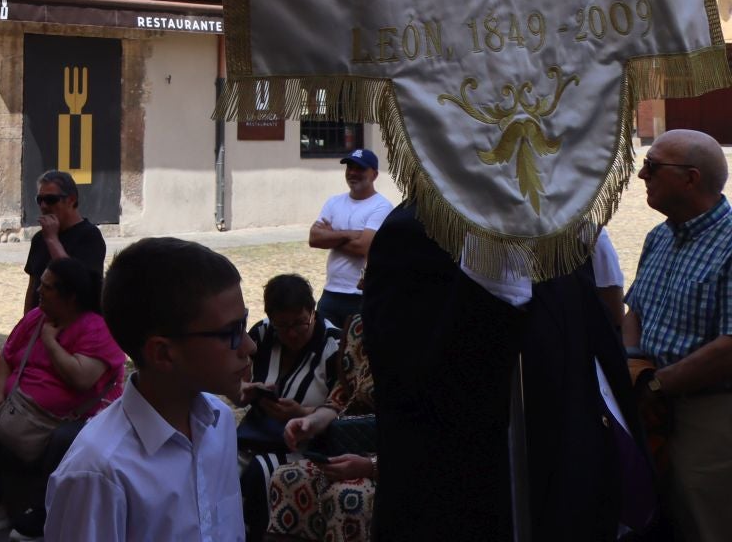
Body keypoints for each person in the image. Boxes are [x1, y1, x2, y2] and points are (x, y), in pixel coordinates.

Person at [365, 198, 652, 542]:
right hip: (479, 499)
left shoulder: (558, 227)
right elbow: (424, 384)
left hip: (571, 478)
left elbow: (592, 350)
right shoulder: (418, 230)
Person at [40, 238, 251, 542]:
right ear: (163, 353)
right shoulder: (99, 471)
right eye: (231, 332)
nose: (249, 346)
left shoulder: (219, 423)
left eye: (244, 325)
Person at [0, 256, 125, 537]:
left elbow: (81, 378)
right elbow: (6, 358)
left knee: (66, 439)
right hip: (24, 410)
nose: (38, 291)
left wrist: (50, 341)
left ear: (69, 297)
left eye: (47, 287)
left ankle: (42, 511)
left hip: (79, 417)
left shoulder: (97, 329)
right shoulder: (36, 317)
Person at [625, 129, 732, 541]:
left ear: (690, 178)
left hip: (707, 415)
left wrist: (655, 383)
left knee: (706, 520)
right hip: (652, 405)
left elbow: (728, 348)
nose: (641, 175)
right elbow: (636, 309)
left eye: (652, 166)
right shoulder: (659, 236)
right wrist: (633, 361)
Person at [237, 275, 343, 534]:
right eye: (282, 326)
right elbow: (237, 386)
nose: (292, 333)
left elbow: (344, 409)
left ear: (313, 312)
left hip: (309, 443)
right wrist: (247, 391)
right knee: (218, 463)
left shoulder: (334, 346)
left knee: (259, 472)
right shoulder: (263, 334)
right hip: (256, 435)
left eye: (300, 323)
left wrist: (301, 413)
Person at [264, 314, 377, 540]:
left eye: (367, 276)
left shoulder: (436, 334)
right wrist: (310, 423)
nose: (359, 284)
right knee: (287, 478)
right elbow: (339, 401)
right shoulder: (360, 328)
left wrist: (371, 467)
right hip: (354, 446)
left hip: (407, 458)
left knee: (347, 497)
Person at [308, 149, 392, 329]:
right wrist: (349, 234)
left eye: (360, 168)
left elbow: (363, 247)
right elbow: (314, 239)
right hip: (330, 293)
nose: (353, 172)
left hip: (360, 296)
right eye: (349, 167)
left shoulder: (382, 207)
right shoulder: (334, 202)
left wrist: (330, 235)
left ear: (375, 174)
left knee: (355, 354)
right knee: (326, 349)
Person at [24, 170, 106, 314]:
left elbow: (78, 284)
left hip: (75, 324)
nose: (43, 206)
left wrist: (52, 240)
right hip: (40, 322)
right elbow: (32, 287)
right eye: (39, 200)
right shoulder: (39, 238)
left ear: (71, 200)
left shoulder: (89, 236)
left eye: (50, 200)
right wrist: (26, 323)